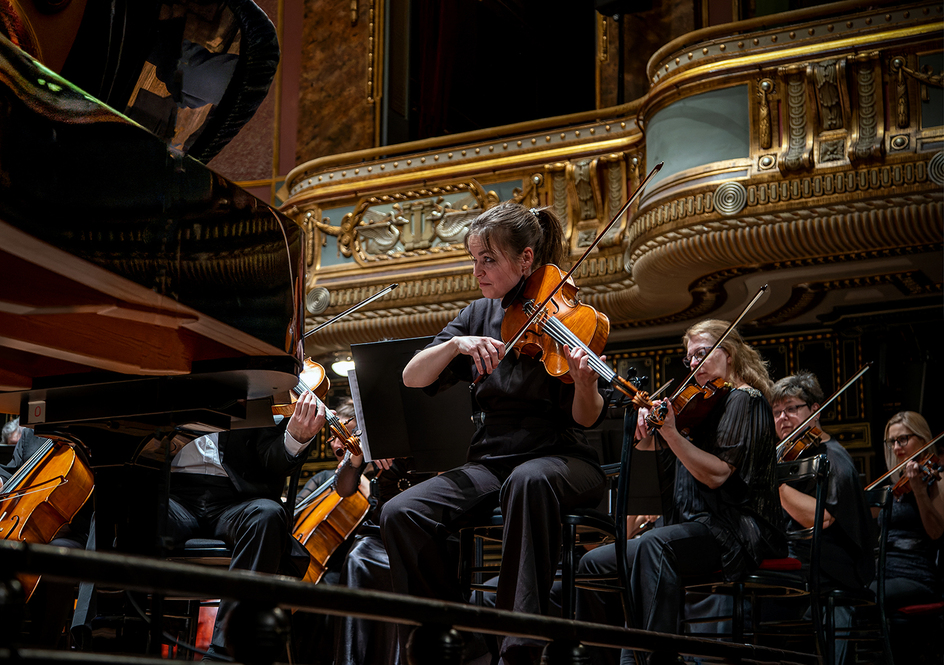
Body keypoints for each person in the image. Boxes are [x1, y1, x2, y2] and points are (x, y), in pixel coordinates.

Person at [382, 202, 609, 665]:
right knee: (400, 512)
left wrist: (585, 383)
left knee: (529, 480)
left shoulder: (570, 317)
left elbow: (586, 419)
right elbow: (411, 377)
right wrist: (454, 344)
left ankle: (518, 646)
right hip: (491, 463)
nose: (477, 270)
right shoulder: (477, 315)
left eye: (489, 259)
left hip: (562, 457)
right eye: (473, 259)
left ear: (525, 259)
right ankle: (457, 645)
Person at [575, 319, 787, 665]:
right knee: (593, 562)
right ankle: (601, 659)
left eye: (702, 354)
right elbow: (660, 467)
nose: (694, 364)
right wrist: (647, 435)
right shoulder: (698, 409)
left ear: (729, 354)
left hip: (732, 529)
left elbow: (717, 475)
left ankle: (656, 659)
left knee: (654, 546)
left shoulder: (744, 401)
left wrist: (671, 433)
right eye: (690, 358)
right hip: (688, 525)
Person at [165, 391, 326, 661]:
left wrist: (295, 437)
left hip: (235, 500)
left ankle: (226, 652)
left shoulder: (257, 386)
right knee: (119, 509)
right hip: (173, 495)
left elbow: (271, 460)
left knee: (267, 515)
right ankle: (101, 629)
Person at [0, 418, 91, 647]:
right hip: (21, 526)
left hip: (71, 533)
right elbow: (11, 472)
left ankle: (43, 649)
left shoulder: (92, 432)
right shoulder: (33, 432)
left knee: (54, 560)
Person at [768, 371, 874, 661]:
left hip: (831, 566)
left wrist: (773, 483)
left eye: (791, 408)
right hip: (802, 559)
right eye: (776, 412)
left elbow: (821, 519)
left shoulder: (833, 458)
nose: (782, 418)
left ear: (815, 410)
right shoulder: (792, 457)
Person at [330, 399, 435, 665]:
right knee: (357, 558)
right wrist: (358, 454)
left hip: (423, 526)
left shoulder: (429, 423)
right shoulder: (374, 425)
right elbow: (343, 490)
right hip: (380, 530)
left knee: (405, 568)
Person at [875, 411, 942, 663]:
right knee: (845, 592)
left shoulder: (935, 479)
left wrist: (920, 492)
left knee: (859, 598)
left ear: (923, 440)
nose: (896, 447)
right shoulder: (894, 485)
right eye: (891, 441)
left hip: (916, 576)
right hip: (886, 573)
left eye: (903, 439)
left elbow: (936, 531)